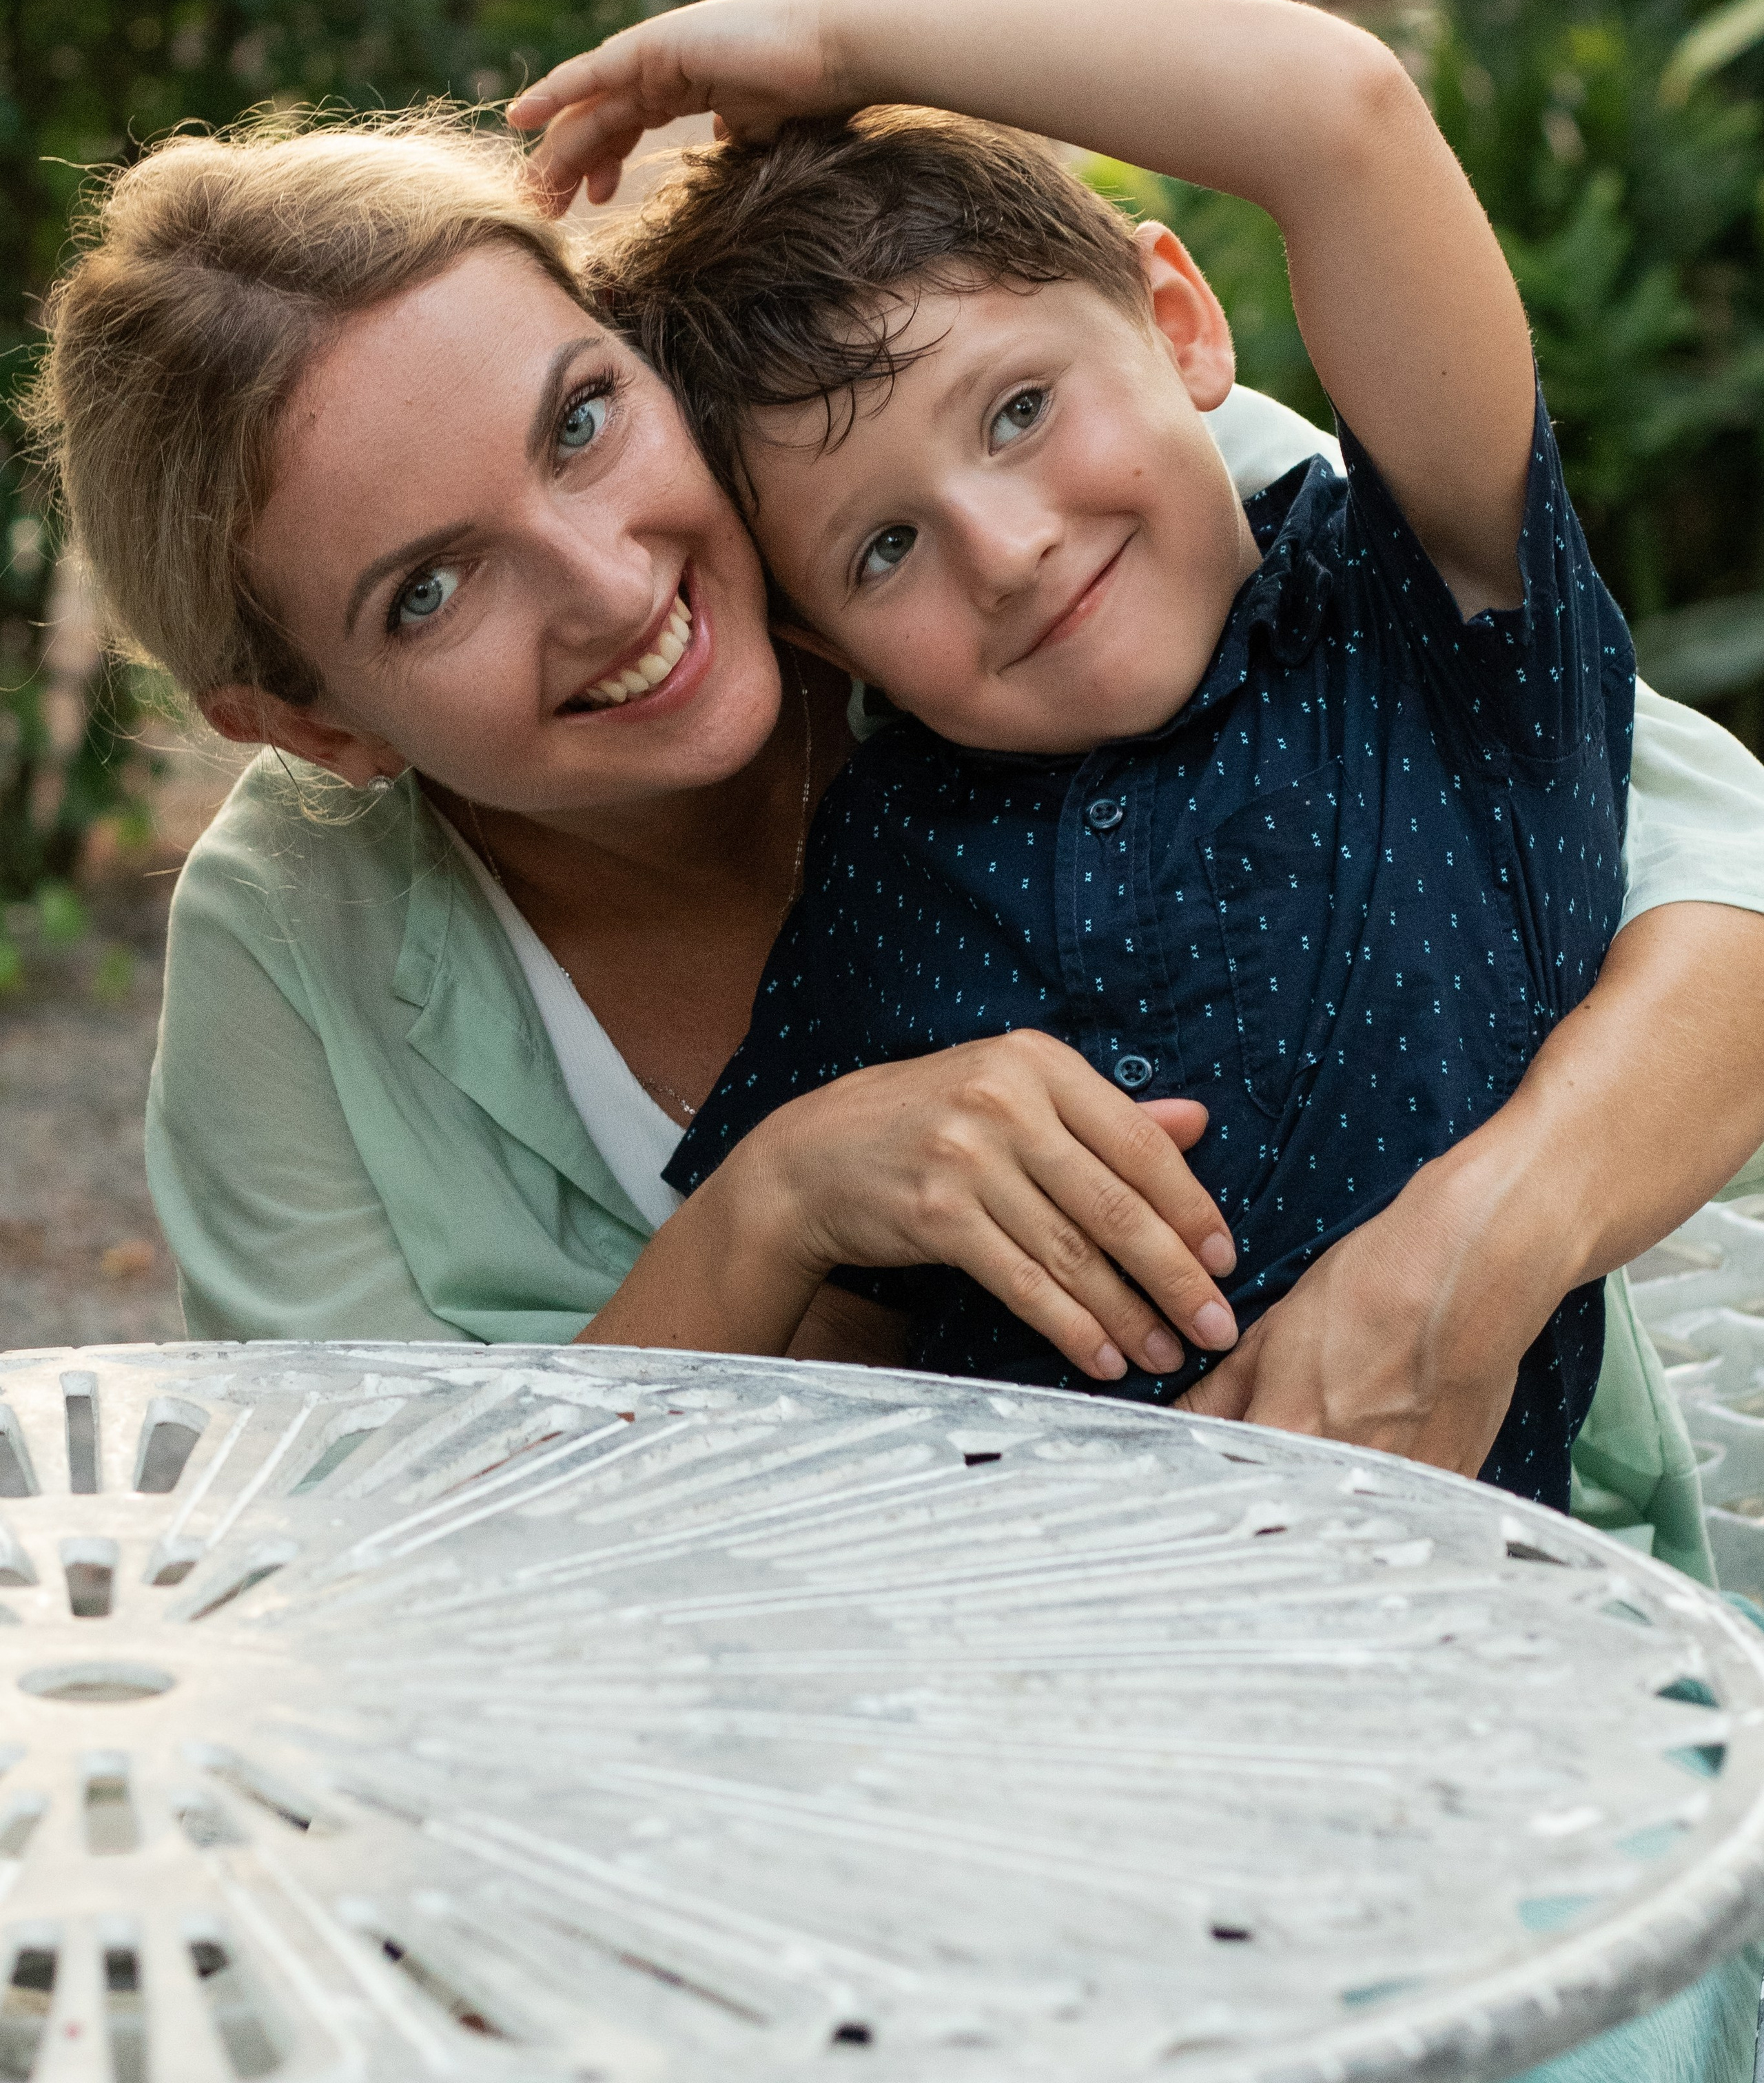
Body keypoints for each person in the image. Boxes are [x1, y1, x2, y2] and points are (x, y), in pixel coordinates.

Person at [25, 96, 1764, 1510]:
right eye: (428, 589)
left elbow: (1710, 865)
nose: (607, 583)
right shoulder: (287, 933)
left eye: (580, 421)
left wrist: (1468, 1245)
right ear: (311, 725)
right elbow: (364, 1565)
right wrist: (774, 1200)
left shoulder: (1068, 498)